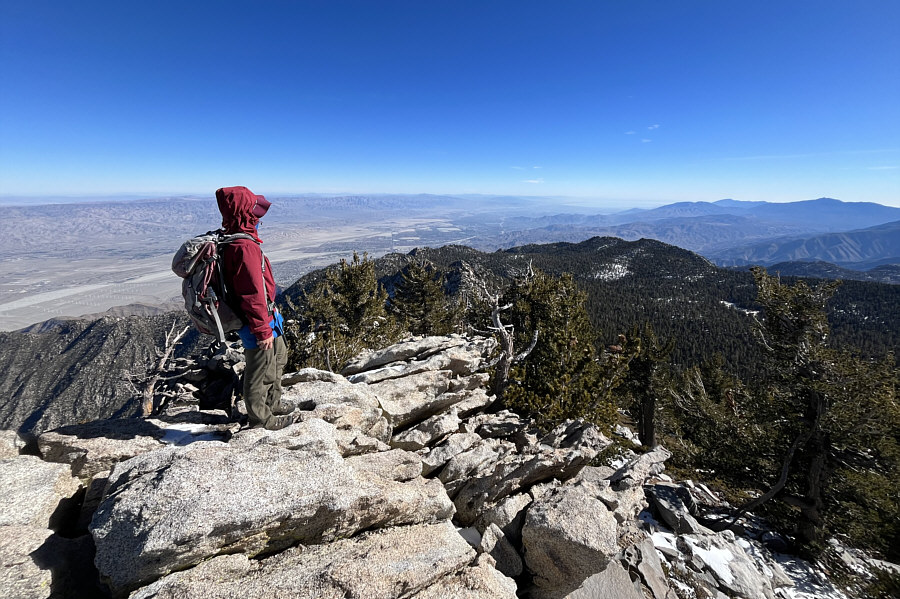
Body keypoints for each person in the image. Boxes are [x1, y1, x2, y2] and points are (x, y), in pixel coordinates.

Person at [215, 186, 294, 430]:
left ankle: (273, 402)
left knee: (278, 357)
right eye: (253, 212)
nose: (257, 218)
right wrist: (261, 330)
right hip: (255, 320)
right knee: (260, 370)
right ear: (243, 213)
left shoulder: (238, 239)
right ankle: (261, 419)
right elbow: (251, 293)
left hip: (266, 314)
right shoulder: (243, 247)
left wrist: (272, 312)